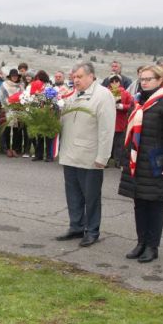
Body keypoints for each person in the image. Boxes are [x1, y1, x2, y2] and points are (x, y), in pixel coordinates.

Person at [118, 65, 163, 263]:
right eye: (142, 78)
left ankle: (152, 246)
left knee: (154, 205)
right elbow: (128, 132)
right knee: (139, 203)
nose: (144, 82)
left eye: (148, 79)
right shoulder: (137, 101)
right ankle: (141, 242)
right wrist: (123, 156)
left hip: (156, 162)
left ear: (160, 80)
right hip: (137, 161)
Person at [57, 62, 116, 247]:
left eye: (79, 77)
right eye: (74, 77)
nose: (76, 80)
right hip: (69, 154)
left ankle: (92, 230)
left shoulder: (103, 96)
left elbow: (107, 130)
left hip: (89, 156)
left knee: (91, 197)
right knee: (73, 195)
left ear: (91, 76)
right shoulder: (73, 95)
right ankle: (76, 226)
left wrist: (103, 157)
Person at [108, 75, 133, 167]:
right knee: (108, 142)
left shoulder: (125, 93)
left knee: (119, 143)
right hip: (108, 121)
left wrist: (122, 106)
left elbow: (131, 105)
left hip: (120, 121)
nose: (114, 83)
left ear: (120, 82)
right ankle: (106, 160)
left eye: (116, 81)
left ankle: (117, 161)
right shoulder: (106, 92)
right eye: (112, 81)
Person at [0, 69, 24, 157]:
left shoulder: (20, 86)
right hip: (7, 109)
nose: (14, 77)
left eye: (16, 76)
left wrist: (19, 105)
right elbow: (2, 96)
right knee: (7, 130)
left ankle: (14, 149)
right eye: (13, 76)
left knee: (17, 131)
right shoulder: (4, 85)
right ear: (10, 76)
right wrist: (9, 105)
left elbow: (23, 96)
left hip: (18, 109)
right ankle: (8, 149)